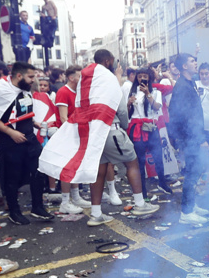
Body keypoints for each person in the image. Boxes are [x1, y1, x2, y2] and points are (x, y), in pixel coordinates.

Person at [38, 49, 159, 225]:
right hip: (111, 130)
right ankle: (140, 203)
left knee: (99, 171)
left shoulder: (86, 81)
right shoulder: (108, 80)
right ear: (108, 61)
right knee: (132, 162)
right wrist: (124, 126)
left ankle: (96, 214)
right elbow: (121, 110)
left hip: (92, 134)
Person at [0, 62, 53, 225]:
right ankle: (14, 211)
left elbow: (23, 112)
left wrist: (34, 122)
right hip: (10, 141)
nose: (33, 80)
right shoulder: (2, 90)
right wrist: (10, 132)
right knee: (12, 177)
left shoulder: (25, 90)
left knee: (38, 171)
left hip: (29, 137)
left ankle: (38, 207)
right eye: (30, 76)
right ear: (19, 76)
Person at [166, 53, 209, 225]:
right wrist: (200, 139)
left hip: (191, 137)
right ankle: (186, 212)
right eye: (192, 61)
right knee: (192, 173)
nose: (195, 63)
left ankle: (191, 206)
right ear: (184, 66)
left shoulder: (188, 83)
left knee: (196, 170)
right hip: (191, 137)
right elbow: (187, 116)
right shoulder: (183, 86)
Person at [126, 66, 172, 198]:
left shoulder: (156, 91)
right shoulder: (132, 92)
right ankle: (142, 191)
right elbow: (128, 114)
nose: (142, 78)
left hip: (151, 127)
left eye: (144, 76)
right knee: (139, 161)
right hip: (137, 129)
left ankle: (162, 183)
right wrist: (128, 103)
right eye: (139, 76)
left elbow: (157, 106)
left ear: (149, 77)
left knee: (158, 157)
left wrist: (148, 94)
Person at [54, 65, 91, 214]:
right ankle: (65, 201)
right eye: (79, 76)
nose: (82, 78)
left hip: (76, 134)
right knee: (67, 168)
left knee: (75, 167)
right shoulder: (63, 92)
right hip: (67, 135)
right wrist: (72, 133)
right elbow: (63, 118)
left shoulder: (77, 92)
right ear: (71, 78)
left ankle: (75, 197)